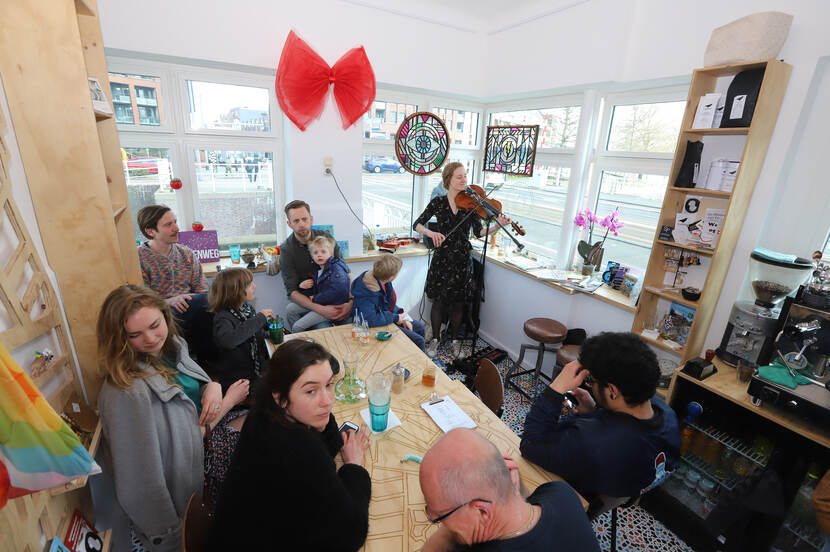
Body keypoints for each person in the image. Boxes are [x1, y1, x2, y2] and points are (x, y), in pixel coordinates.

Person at [96, 284, 248, 552]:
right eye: (135, 334)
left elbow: (191, 386)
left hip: (197, 474)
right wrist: (171, 538)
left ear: (166, 316)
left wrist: (211, 386)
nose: (152, 338)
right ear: (119, 339)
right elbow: (139, 483)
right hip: (176, 509)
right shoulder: (126, 394)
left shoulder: (172, 347)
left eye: (155, 325)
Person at [208, 340, 372, 551]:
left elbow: (329, 441)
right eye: (310, 391)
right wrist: (354, 467)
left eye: (329, 384)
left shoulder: (264, 411)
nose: (327, 400)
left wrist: (317, 406)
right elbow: (351, 534)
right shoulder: (297, 448)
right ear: (281, 398)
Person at [520, 331, 681, 502]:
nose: (590, 384)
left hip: (570, 499)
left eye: (591, 380)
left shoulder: (590, 441)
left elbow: (530, 445)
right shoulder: (667, 414)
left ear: (612, 391)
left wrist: (556, 388)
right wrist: (594, 411)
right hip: (617, 485)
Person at [419, 428, 599, 552]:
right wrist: (507, 486)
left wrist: (447, 537)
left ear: (482, 511)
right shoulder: (561, 492)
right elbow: (525, 502)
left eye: (439, 517)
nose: (434, 520)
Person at [413, 163, 509, 357]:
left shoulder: (470, 206)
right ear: (448, 179)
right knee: (438, 302)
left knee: (458, 303)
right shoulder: (438, 203)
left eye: (465, 176)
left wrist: (497, 227)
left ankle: (455, 341)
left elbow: (479, 232)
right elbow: (417, 225)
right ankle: (435, 340)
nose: (464, 180)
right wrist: (431, 233)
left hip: (462, 259)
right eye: (459, 176)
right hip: (442, 259)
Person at [136, 204, 212, 362]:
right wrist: (169, 301)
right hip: (160, 312)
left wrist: (188, 298)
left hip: (192, 308)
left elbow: (203, 289)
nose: (176, 228)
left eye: (175, 222)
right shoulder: (139, 259)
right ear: (150, 231)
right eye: (168, 224)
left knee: (213, 302)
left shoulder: (186, 253)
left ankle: (208, 366)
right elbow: (140, 302)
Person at [279, 200, 352, 332]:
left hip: (335, 299)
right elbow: (292, 292)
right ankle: (303, 345)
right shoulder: (286, 249)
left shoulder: (326, 238)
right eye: (296, 221)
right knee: (291, 310)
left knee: (336, 327)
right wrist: (323, 310)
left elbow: (346, 273)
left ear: (311, 219)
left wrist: (351, 303)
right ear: (289, 224)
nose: (301, 224)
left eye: (304, 219)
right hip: (314, 301)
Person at [208, 267, 273, 392]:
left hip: (256, 369)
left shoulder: (247, 309)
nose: (254, 286)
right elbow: (230, 341)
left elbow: (255, 334)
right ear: (235, 291)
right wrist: (259, 319)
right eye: (249, 285)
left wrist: (269, 334)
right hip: (238, 379)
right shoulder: (222, 318)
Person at [351, 253, 426, 351]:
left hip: (385, 318)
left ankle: (415, 356)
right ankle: (420, 363)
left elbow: (388, 304)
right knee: (419, 341)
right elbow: (370, 319)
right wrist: (395, 318)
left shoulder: (383, 281)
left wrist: (402, 316)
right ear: (391, 277)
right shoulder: (367, 292)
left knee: (420, 327)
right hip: (373, 326)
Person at [293, 234, 351, 332]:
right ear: (312, 256)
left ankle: (300, 344)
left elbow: (337, 291)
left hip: (333, 307)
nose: (319, 255)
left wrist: (315, 299)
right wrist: (302, 287)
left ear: (331, 253)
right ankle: (305, 341)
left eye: (323, 251)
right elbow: (313, 288)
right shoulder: (318, 268)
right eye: (315, 252)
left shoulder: (336, 268)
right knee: (291, 309)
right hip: (322, 303)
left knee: (297, 327)